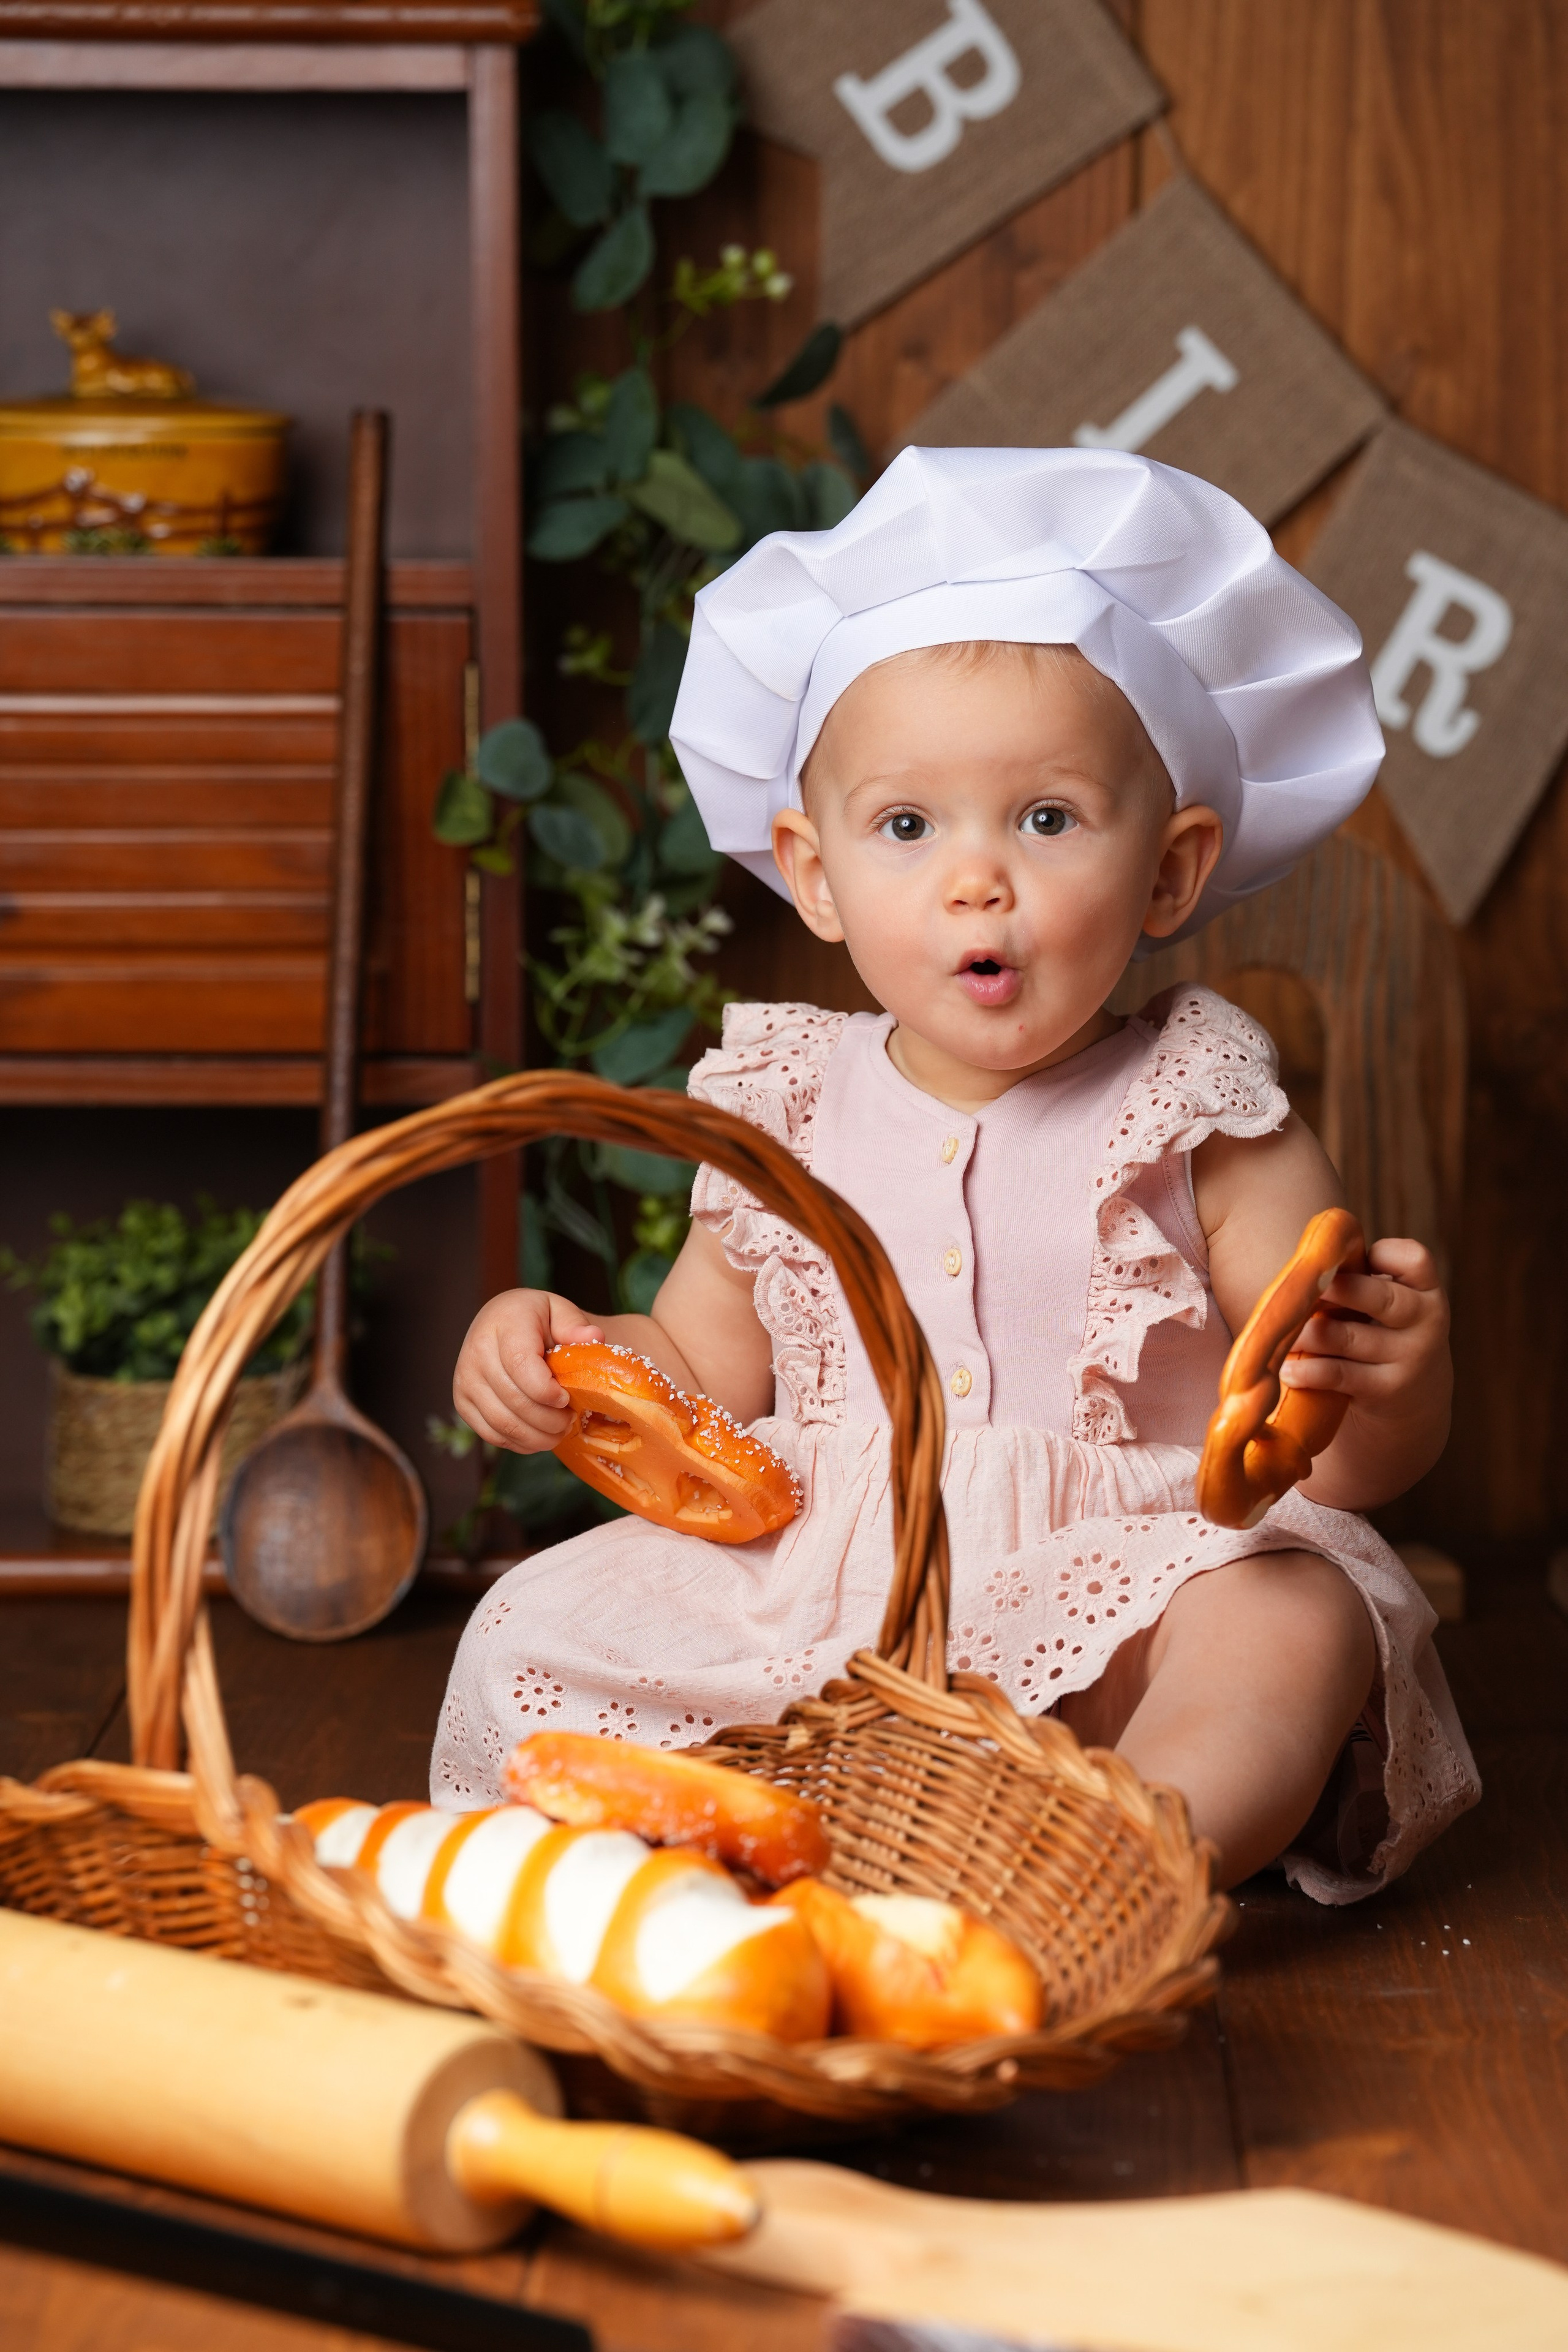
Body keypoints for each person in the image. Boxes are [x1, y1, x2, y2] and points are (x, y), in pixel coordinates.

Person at [434, 447, 1479, 1901]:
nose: (974, 879)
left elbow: (1338, 1464)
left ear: (1168, 871)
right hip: (833, 1605)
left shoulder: (1200, 1119)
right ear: (813, 874)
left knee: (1291, 1617)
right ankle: (762, 1833)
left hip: (1126, 1608)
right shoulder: (784, 1113)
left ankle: (1123, 1852)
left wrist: (1387, 1380)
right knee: (527, 1625)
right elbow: (697, 1381)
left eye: (1045, 818)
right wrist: (560, 1355)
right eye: (906, 826)